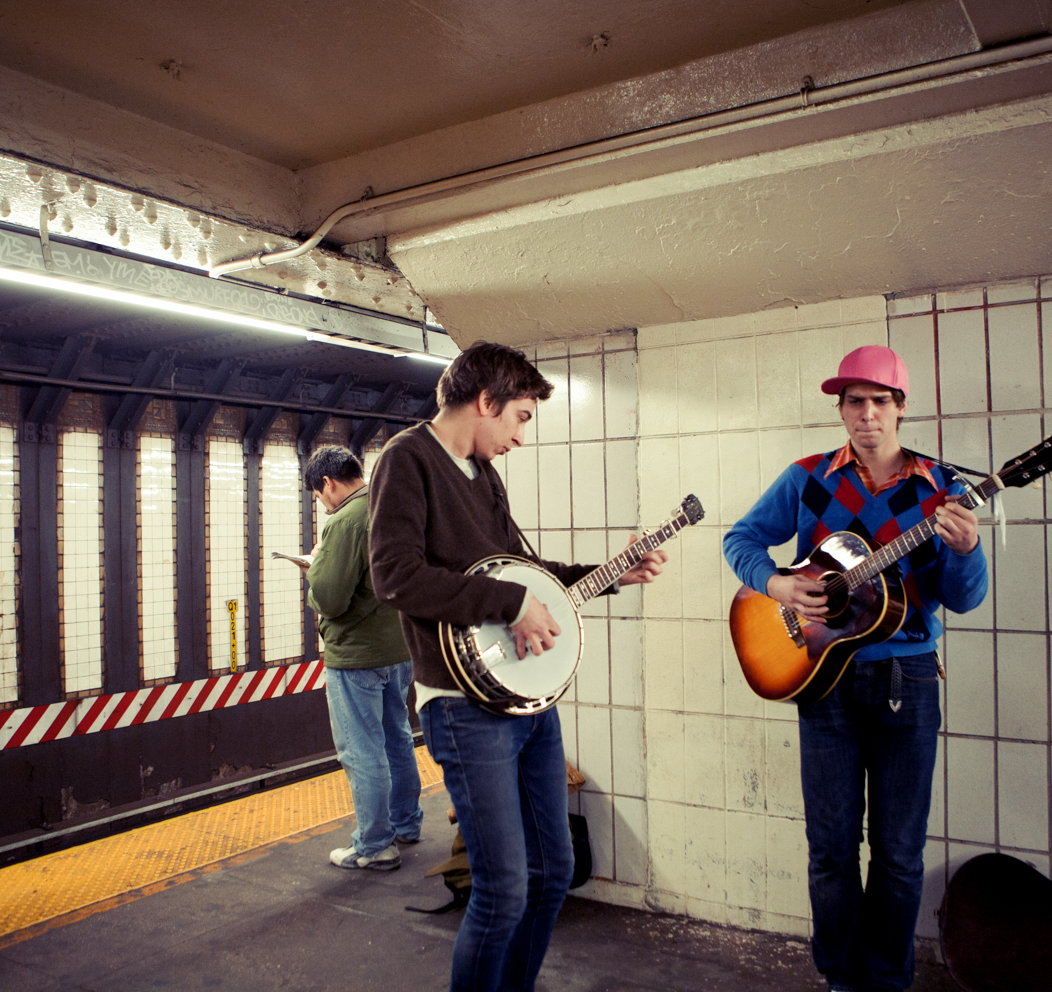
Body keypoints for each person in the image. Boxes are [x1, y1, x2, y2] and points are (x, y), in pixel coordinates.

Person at [367, 341, 667, 992]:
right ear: (485, 402)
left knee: (553, 871)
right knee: (501, 889)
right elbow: (394, 577)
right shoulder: (407, 460)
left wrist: (609, 575)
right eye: (520, 418)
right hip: (461, 705)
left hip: (526, 704)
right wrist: (510, 602)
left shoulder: (482, 474)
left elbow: (526, 576)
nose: (520, 438)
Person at [722, 345, 988, 992]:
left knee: (897, 855)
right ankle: (840, 978)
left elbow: (965, 597)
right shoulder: (808, 477)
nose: (866, 414)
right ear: (841, 409)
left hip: (910, 682)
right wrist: (779, 588)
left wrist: (968, 548)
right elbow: (741, 539)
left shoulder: (942, 487)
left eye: (879, 401)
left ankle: (888, 979)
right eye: (854, 402)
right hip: (823, 678)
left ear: (901, 407)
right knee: (832, 850)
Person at [304, 445, 424, 870]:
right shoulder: (391, 505)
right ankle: (406, 823)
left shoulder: (346, 520)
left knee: (362, 750)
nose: (323, 504)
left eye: (319, 497)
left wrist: (313, 572)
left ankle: (375, 845)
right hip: (400, 647)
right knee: (398, 737)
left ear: (328, 484)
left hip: (357, 657)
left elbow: (331, 598)